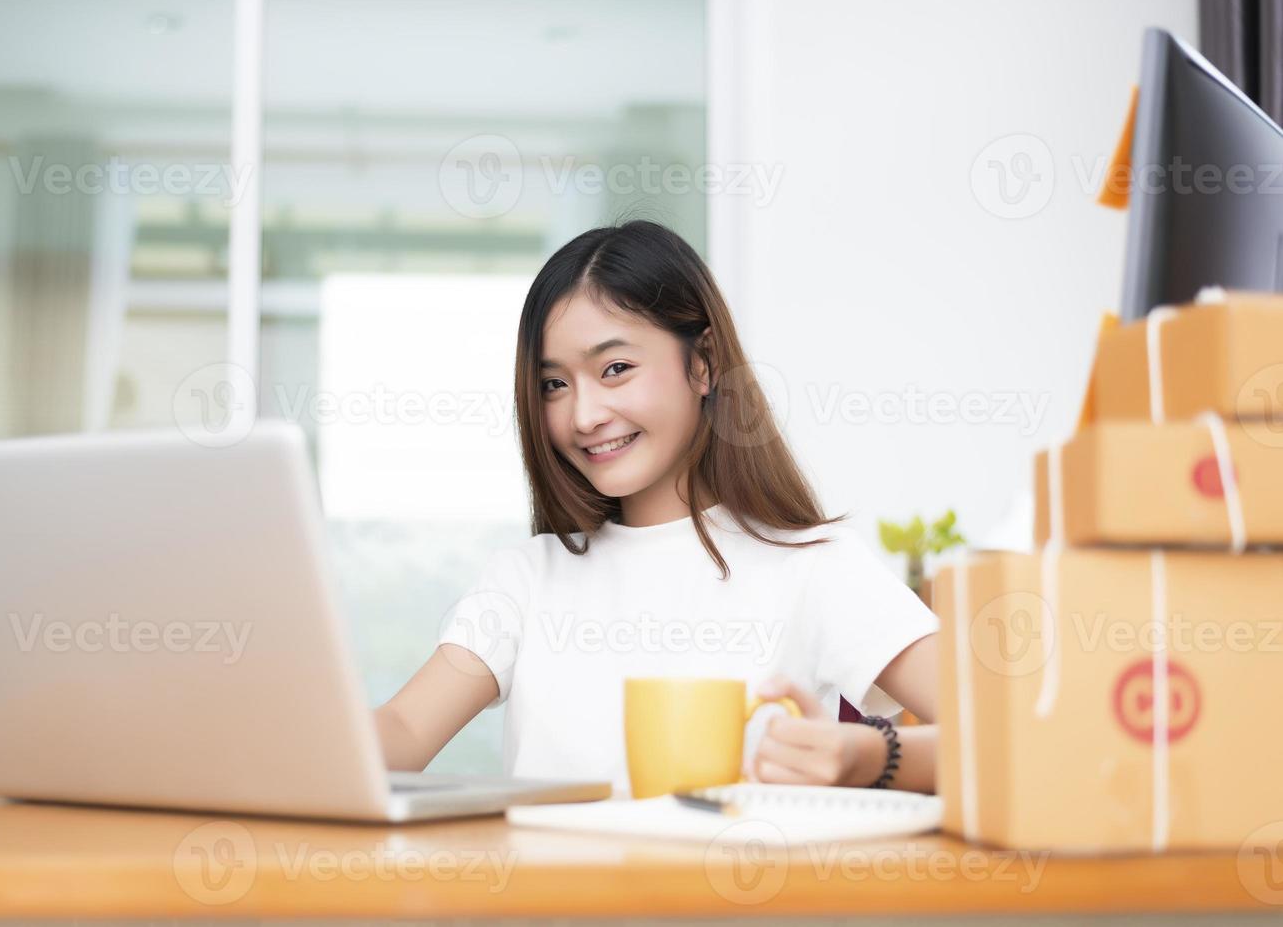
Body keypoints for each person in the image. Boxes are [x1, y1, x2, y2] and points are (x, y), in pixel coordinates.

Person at [374, 220, 939, 794]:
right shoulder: (526, 580)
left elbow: (1008, 738)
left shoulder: (814, 566)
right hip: (551, 885)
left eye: (614, 369)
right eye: (553, 385)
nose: (583, 415)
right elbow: (402, 728)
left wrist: (872, 756)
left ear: (704, 364)